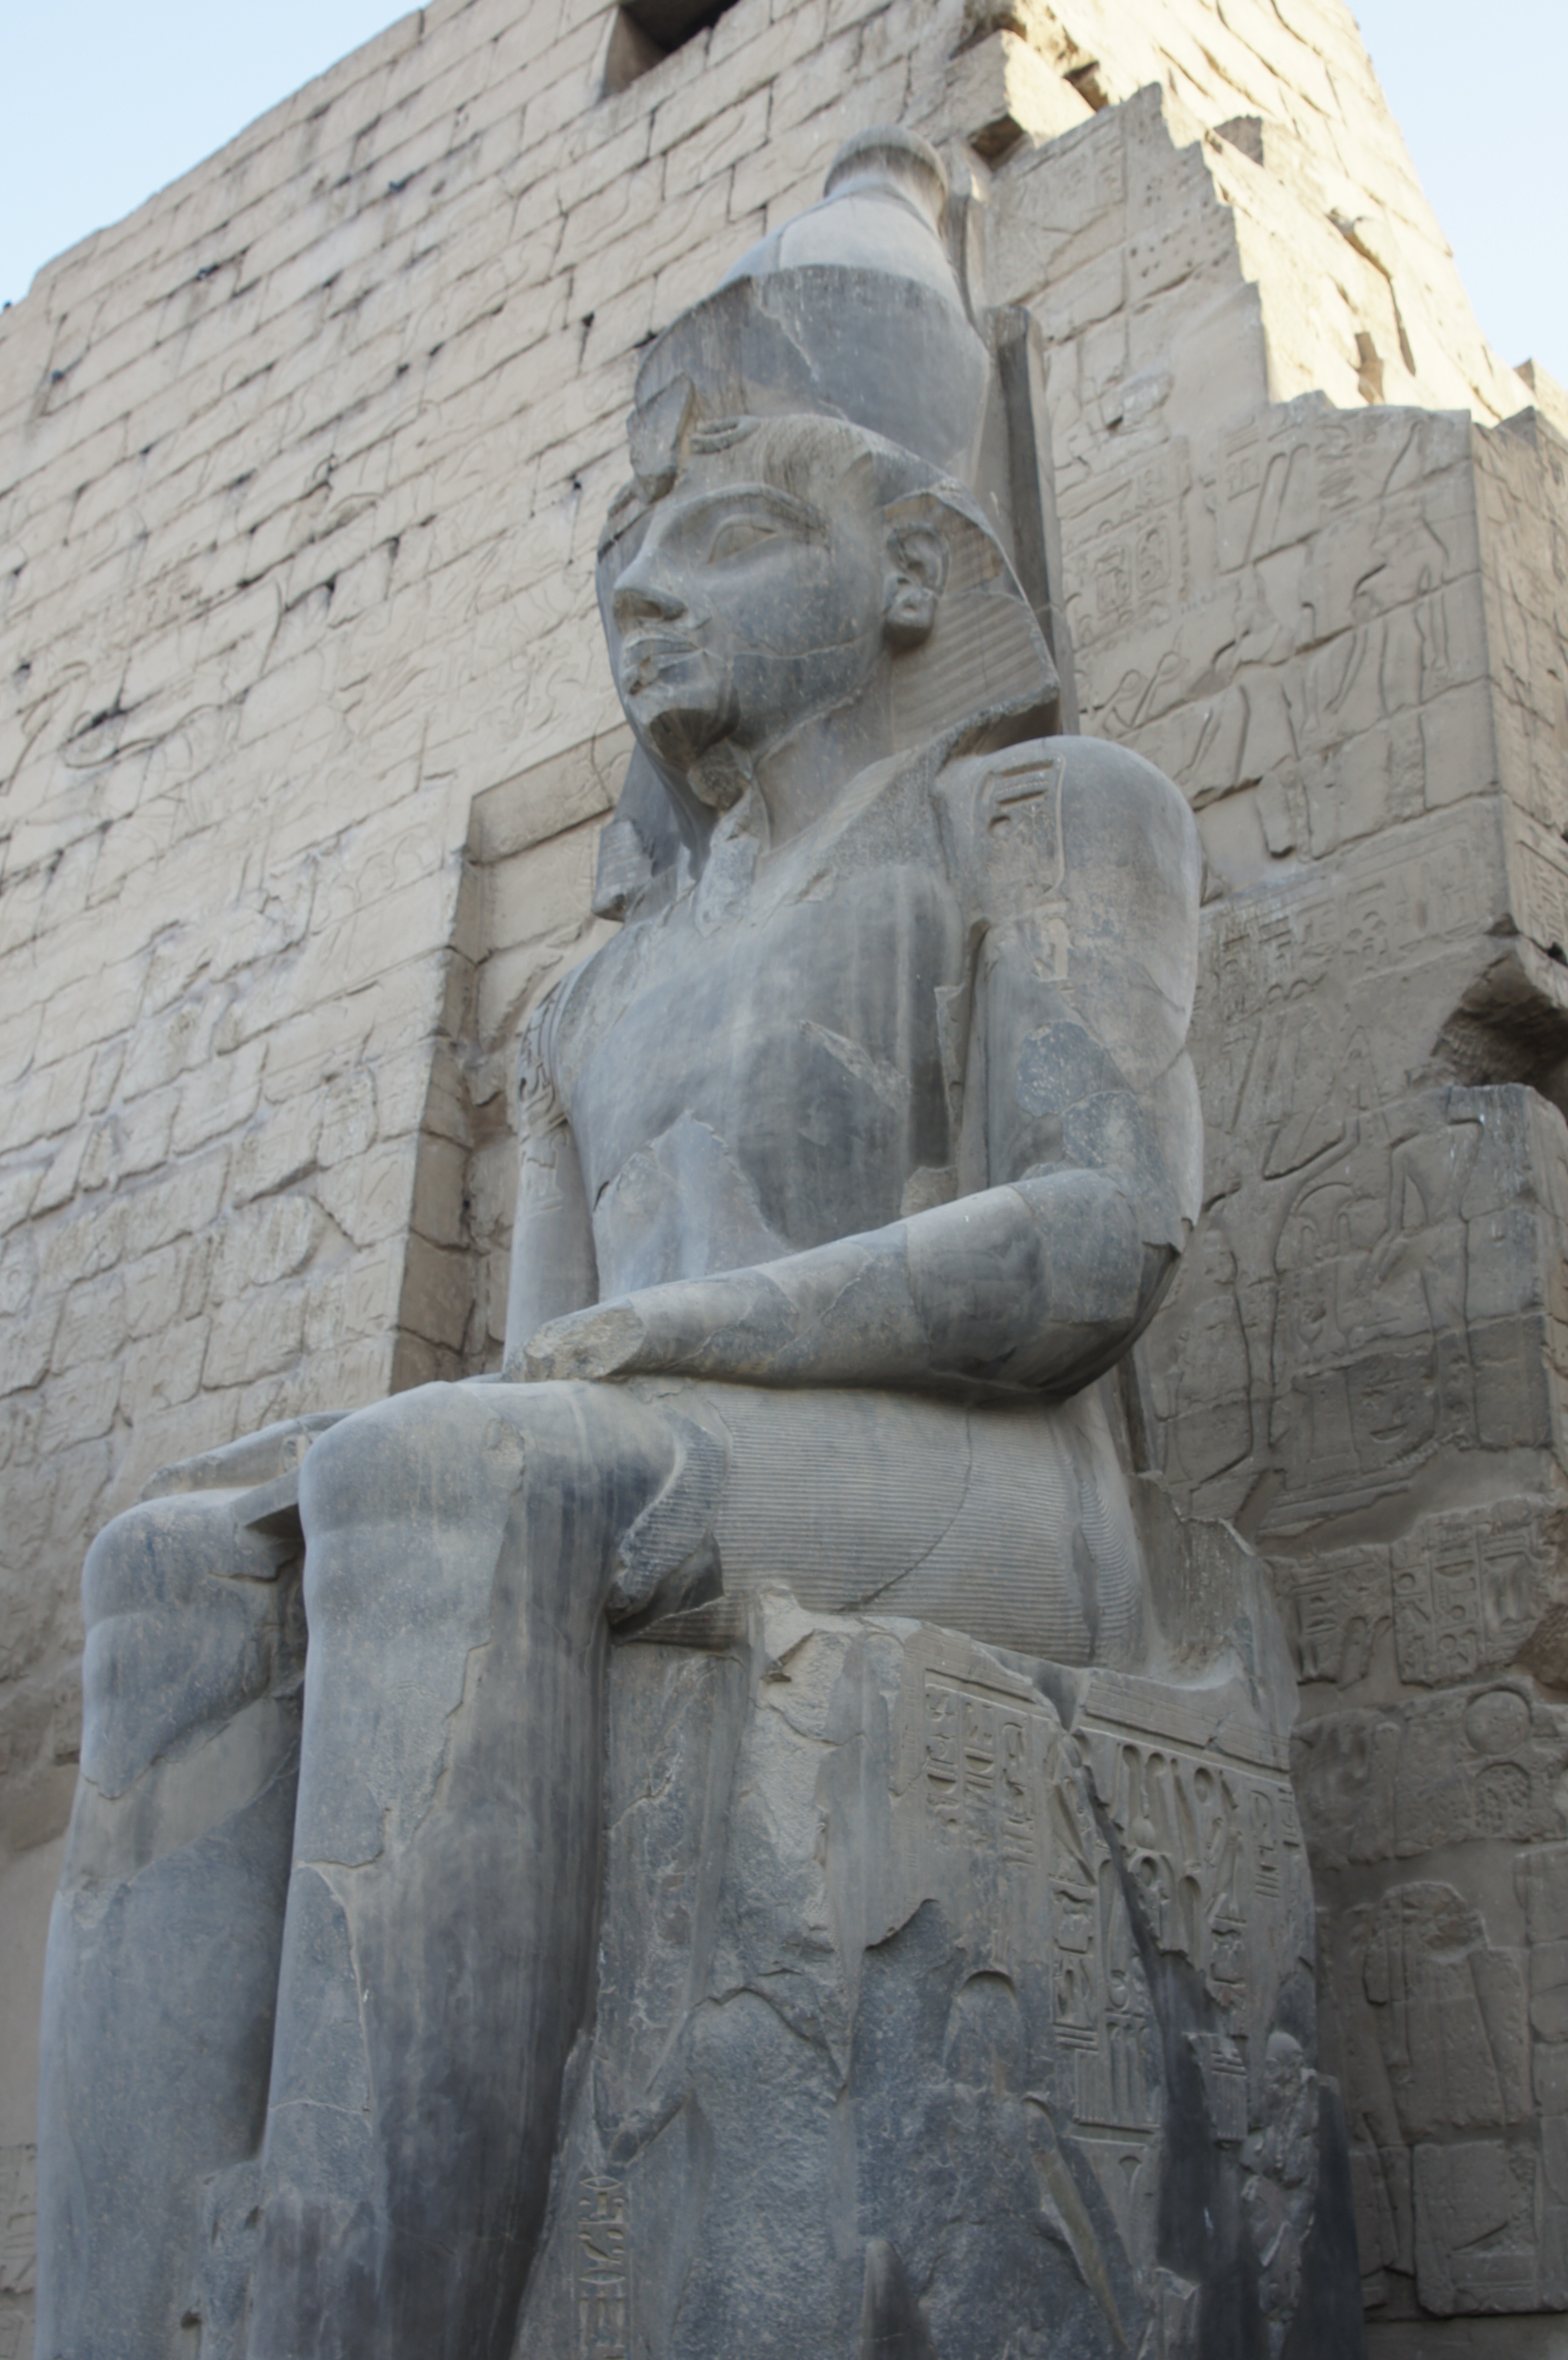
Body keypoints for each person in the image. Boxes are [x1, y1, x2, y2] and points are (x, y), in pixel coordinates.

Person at [35, 143, 1200, 2360]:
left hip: (994, 1481)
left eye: (724, 534)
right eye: (623, 562)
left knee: (445, 1476)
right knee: (169, 1561)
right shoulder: (590, 996)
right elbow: (548, 1358)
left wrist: (694, 1330)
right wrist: (592, 1368)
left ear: (908, 574)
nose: (647, 595)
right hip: (681, 1440)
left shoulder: (1046, 818)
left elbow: (1091, 1238)